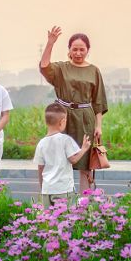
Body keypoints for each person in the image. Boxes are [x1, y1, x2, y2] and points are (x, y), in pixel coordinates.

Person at [39, 26, 108, 192]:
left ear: (88, 50)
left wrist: (98, 126)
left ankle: (84, 204)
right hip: (62, 117)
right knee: (60, 159)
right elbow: (44, 66)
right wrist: (50, 43)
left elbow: (98, 101)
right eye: (74, 49)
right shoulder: (62, 68)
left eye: (82, 49)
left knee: (85, 162)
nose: (78, 53)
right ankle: (60, 199)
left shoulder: (94, 70)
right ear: (69, 50)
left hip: (85, 118)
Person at [34, 103, 93, 208]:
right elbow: (73, 159)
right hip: (64, 190)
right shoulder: (66, 140)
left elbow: (40, 167)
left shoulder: (41, 143)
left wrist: (42, 187)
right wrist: (84, 149)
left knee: (48, 219)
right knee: (64, 219)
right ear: (62, 122)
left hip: (47, 190)